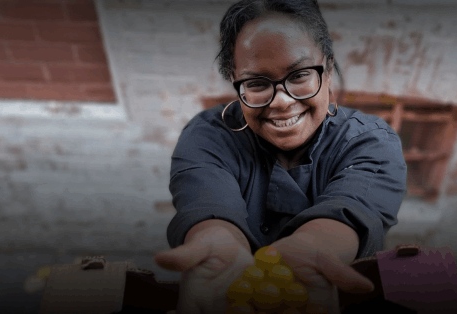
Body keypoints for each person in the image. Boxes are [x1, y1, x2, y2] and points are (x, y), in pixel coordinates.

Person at [154, 0, 407, 313]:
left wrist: (316, 247)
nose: (283, 101)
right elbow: (207, 202)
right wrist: (216, 238)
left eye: (300, 75)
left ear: (327, 69)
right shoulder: (208, 135)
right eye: (257, 83)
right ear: (235, 81)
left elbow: (354, 207)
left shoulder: (370, 140)